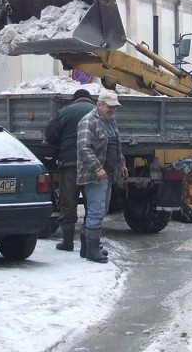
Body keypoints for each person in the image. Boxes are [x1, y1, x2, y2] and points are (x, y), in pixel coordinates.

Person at [76, 89, 128, 263]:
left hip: (108, 174)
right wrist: (98, 169)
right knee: (96, 211)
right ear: (99, 105)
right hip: (94, 175)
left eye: (115, 107)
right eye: (109, 106)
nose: (112, 110)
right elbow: (84, 148)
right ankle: (92, 251)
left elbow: (115, 146)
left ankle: (87, 248)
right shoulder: (89, 121)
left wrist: (122, 165)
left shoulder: (110, 121)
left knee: (100, 210)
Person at [44, 89, 96, 252]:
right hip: (93, 164)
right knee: (92, 202)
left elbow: (51, 135)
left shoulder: (65, 112)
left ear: (75, 100)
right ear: (90, 99)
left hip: (70, 163)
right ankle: (87, 242)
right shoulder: (98, 113)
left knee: (68, 201)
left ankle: (67, 242)